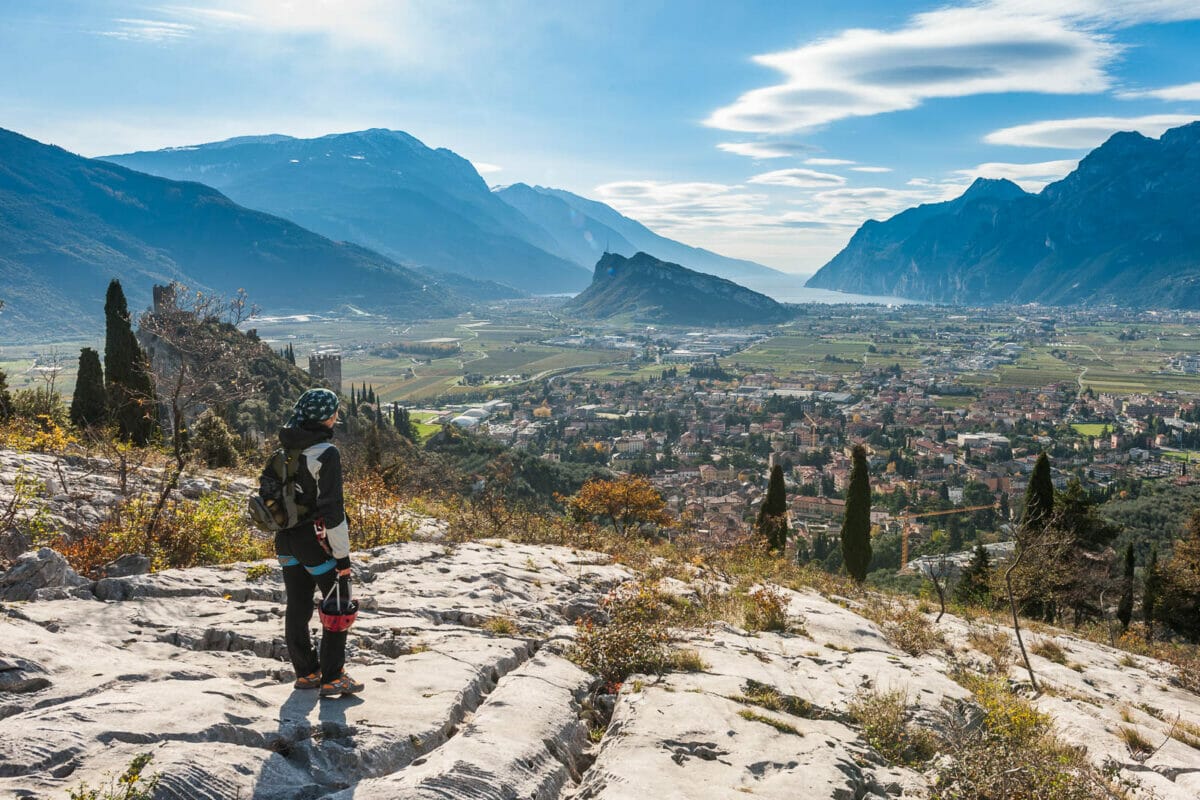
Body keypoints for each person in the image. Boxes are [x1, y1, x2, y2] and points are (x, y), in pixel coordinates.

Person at [274, 388, 363, 698]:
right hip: (315, 542)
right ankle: (333, 676)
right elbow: (333, 510)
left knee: (297, 606)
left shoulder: (284, 450)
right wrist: (343, 559)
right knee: (338, 604)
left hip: (285, 540)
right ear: (328, 416)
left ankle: (307, 672)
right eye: (335, 411)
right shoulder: (326, 453)